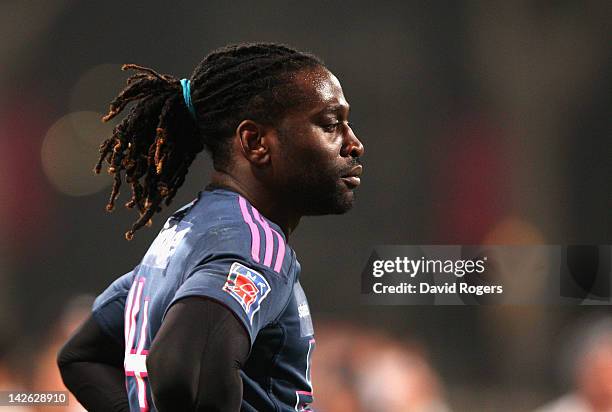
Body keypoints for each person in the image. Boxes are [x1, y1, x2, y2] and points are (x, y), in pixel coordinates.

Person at [56, 42, 364, 412]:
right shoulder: (253, 245)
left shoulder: (184, 236)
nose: (354, 144)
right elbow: (179, 365)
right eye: (331, 124)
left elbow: (83, 357)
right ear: (255, 143)